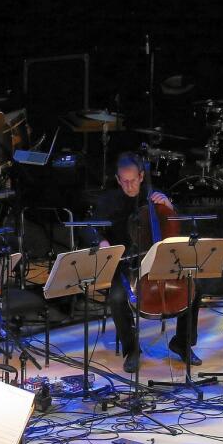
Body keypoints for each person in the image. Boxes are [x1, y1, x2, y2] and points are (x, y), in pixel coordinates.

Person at [85, 152, 200, 373]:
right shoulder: (108, 202)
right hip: (125, 264)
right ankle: (132, 349)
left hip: (157, 260)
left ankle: (181, 343)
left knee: (195, 290)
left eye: (133, 180)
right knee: (118, 298)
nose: (129, 186)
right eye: (124, 181)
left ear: (141, 176)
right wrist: (101, 241)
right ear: (118, 180)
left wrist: (170, 207)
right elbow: (92, 228)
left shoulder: (155, 196)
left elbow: (176, 226)